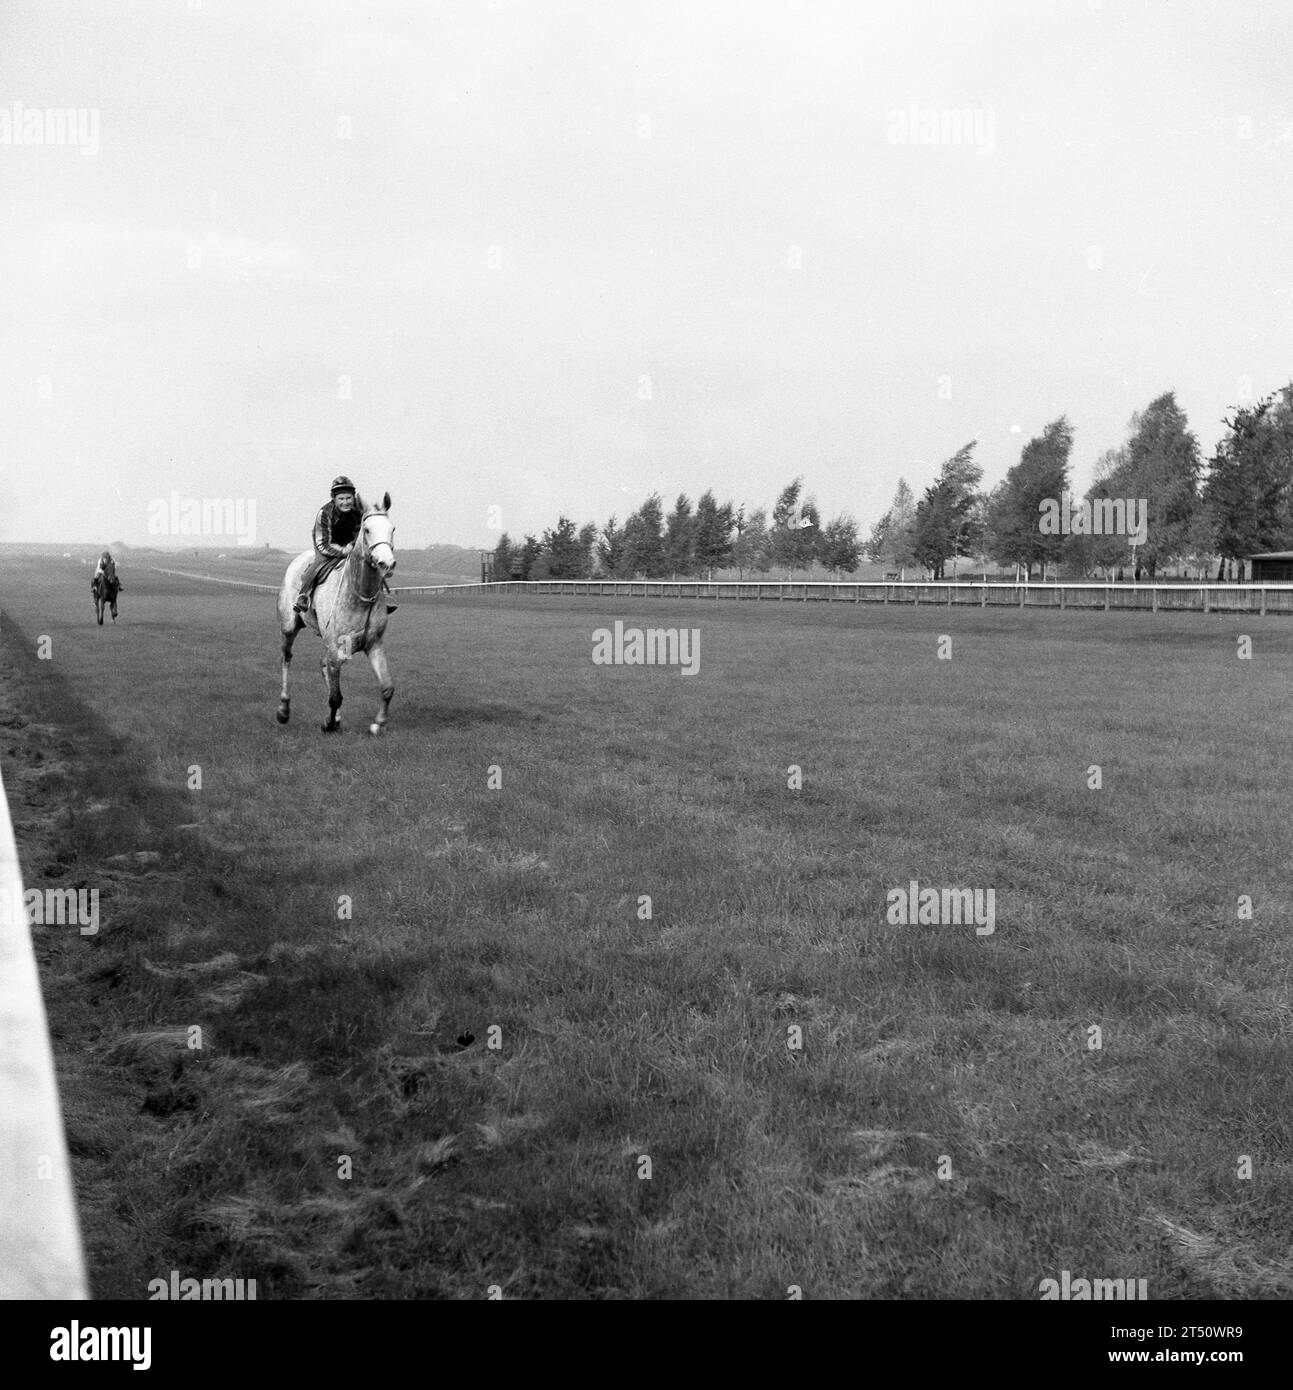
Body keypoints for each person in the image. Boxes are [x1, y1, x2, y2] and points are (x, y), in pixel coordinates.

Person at [293, 476, 396, 614]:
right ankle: (303, 596)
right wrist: (342, 551)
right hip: (326, 544)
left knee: (371, 565)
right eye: (341, 499)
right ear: (334, 499)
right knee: (318, 564)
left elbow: (362, 533)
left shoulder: (359, 511)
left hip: (350, 544)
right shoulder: (324, 513)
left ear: (353, 498)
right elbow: (323, 544)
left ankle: (380, 599)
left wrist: (353, 546)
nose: (345, 502)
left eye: (348, 498)